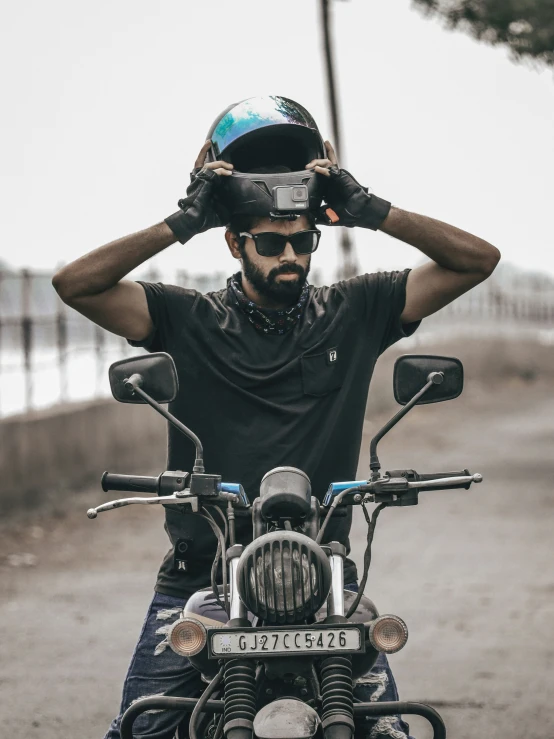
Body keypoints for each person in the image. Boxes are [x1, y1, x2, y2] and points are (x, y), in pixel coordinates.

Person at [52, 96, 500, 739]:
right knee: (142, 729)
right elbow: (77, 286)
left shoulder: (358, 308)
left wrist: (369, 208)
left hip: (326, 577)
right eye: (270, 243)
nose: (290, 256)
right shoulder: (187, 317)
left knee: (387, 730)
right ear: (235, 242)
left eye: (303, 242)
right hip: (203, 574)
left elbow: (477, 261)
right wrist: (182, 222)